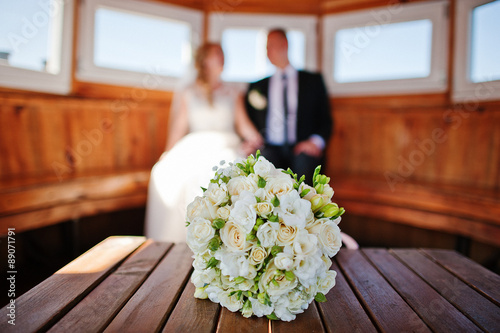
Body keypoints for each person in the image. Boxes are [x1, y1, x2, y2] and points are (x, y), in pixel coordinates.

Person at [145, 43, 263, 242]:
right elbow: (179, 127)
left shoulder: (233, 92)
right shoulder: (188, 92)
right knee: (164, 172)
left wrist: (255, 140)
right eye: (217, 53)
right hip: (194, 146)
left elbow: (243, 125)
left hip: (226, 146)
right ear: (204, 60)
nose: (222, 57)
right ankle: (176, 239)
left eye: (223, 53)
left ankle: (222, 239)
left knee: (220, 173)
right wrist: (167, 152)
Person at [245, 28, 332, 183]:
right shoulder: (257, 86)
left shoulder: (313, 81)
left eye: (270, 45)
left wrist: (314, 142)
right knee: (262, 166)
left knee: (304, 166)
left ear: (284, 44)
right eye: (266, 48)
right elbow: (248, 119)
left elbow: (326, 120)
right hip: (269, 148)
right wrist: (250, 141)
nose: (267, 52)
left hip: (302, 147)